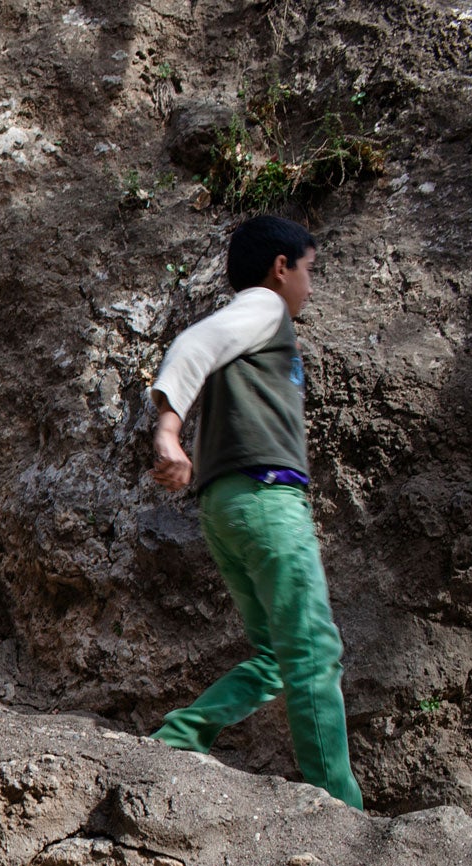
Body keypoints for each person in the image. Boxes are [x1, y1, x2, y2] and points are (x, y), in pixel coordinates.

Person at [145, 214, 363, 808]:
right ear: (281, 267)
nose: (310, 287)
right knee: (312, 650)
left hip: (225, 506)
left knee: (275, 657)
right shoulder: (264, 308)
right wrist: (168, 431)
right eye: (309, 271)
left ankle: (180, 734)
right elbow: (192, 343)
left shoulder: (254, 330)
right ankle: (340, 806)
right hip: (267, 498)